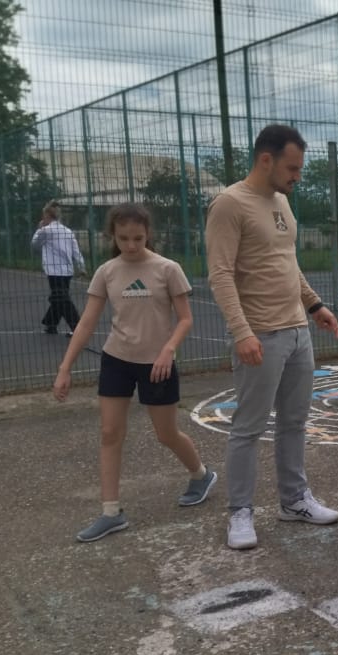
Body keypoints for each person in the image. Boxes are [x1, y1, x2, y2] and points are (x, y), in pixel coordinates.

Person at [206, 124, 338, 551]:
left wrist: (314, 305)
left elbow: (286, 260)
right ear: (266, 160)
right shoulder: (230, 204)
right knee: (248, 428)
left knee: (294, 422)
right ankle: (240, 512)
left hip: (297, 331)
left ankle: (294, 501)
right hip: (260, 335)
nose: (297, 176)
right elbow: (220, 275)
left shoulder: (281, 200)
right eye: (292, 168)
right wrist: (242, 331)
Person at [53, 203, 217, 543]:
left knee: (166, 434)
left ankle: (201, 475)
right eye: (123, 238)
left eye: (138, 238)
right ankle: (110, 512)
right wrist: (65, 368)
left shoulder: (167, 269)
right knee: (109, 432)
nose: (130, 245)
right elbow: (86, 323)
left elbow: (185, 319)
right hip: (117, 360)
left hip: (157, 364)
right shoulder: (107, 272)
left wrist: (168, 350)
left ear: (148, 235)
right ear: (112, 236)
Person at [31, 201, 86, 336]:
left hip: (54, 271)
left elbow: (35, 244)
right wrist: (81, 266)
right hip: (67, 270)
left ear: (47, 216)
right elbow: (76, 251)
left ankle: (77, 327)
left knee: (61, 299)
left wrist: (39, 229)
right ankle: (51, 324)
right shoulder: (68, 231)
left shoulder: (46, 231)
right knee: (59, 297)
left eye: (44, 216)